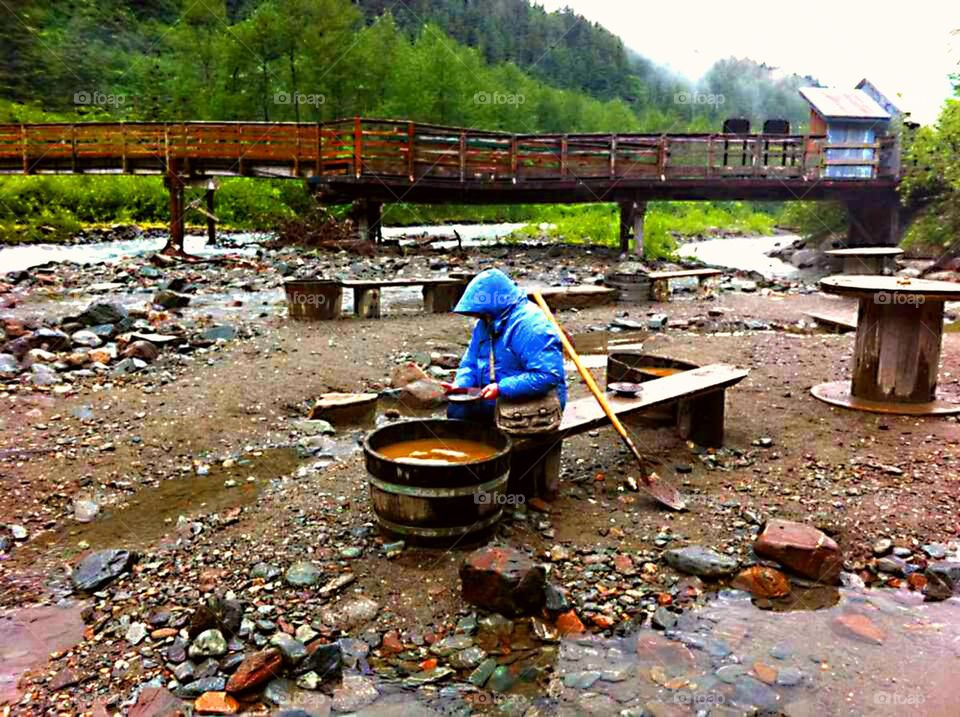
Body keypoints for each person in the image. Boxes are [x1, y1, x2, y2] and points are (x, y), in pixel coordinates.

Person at [444, 269, 566, 424]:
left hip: (532, 399)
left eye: (480, 313)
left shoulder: (531, 326)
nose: (477, 317)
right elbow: (470, 361)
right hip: (493, 392)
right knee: (457, 411)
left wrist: (502, 388)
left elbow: (547, 376)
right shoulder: (486, 321)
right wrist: (461, 385)